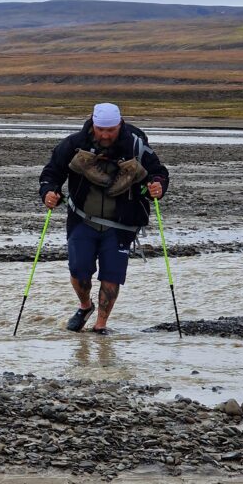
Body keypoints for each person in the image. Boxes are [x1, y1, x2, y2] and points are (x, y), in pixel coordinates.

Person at [39, 102, 169, 334]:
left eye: (111, 130)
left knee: (111, 276)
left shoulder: (136, 146)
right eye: (101, 129)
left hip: (121, 224)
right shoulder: (73, 144)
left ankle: (100, 326)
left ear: (120, 124)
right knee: (79, 271)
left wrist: (158, 185)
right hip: (82, 219)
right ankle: (85, 306)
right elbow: (52, 173)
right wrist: (49, 192)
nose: (106, 135)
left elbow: (159, 172)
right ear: (93, 123)